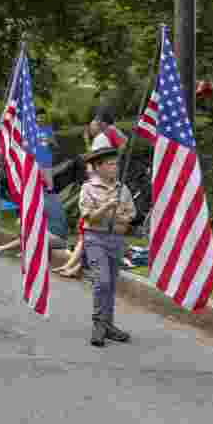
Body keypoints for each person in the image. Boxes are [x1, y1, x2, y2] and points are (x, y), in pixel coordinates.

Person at [0, 107, 70, 262]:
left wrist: (46, 142)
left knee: (32, 232)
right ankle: (16, 249)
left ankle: (2, 248)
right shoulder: (48, 195)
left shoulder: (40, 198)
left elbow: (54, 146)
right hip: (54, 235)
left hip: (55, 237)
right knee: (32, 231)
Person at [79, 146, 137, 347]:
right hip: (96, 239)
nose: (115, 168)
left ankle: (109, 325)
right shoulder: (88, 188)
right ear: (98, 167)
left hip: (116, 240)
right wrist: (107, 207)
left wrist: (115, 215)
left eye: (116, 164)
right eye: (110, 164)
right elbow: (89, 217)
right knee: (102, 281)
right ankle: (98, 324)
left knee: (111, 284)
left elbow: (129, 217)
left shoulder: (124, 189)